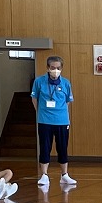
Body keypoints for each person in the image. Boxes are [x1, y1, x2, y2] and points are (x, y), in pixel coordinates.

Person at [31, 56, 77, 188]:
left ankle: (64, 175)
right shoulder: (39, 82)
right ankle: (44, 175)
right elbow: (34, 99)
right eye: (52, 68)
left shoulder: (66, 83)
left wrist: (60, 112)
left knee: (62, 147)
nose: (55, 70)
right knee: (45, 147)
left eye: (58, 68)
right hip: (45, 120)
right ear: (48, 68)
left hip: (62, 121)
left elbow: (67, 101)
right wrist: (40, 112)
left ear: (61, 69)